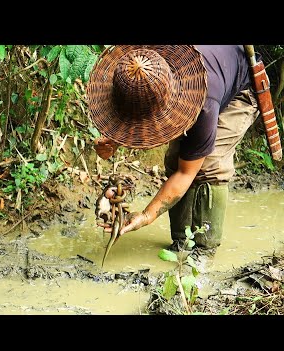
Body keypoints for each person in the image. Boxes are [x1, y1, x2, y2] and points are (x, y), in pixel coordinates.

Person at [86, 45, 260, 261]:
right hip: (199, 73)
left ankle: (204, 251)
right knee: (175, 158)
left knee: (207, 166)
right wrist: (115, 140)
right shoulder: (139, 64)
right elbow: (138, 111)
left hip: (239, 88)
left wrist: (147, 215)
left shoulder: (205, 104)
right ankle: (181, 242)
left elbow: (186, 173)